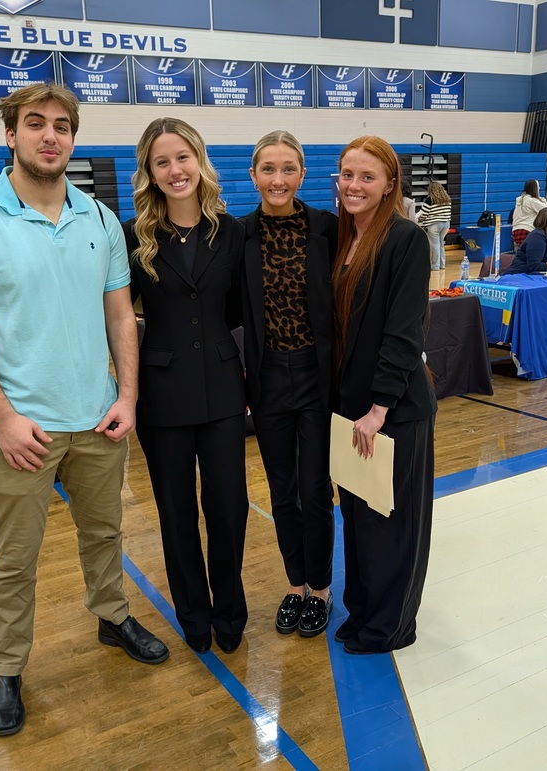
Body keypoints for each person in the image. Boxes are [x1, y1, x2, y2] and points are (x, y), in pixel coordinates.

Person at [0, 83, 169, 739]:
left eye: (62, 125)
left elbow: (121, 313)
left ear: (73, 138)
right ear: (10, 135)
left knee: (105, 534)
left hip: (97, 419)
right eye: (34, 124)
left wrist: (126, 396)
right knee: (15, 558)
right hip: (18, 428)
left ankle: (112, 614)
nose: (49, 135)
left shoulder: (98, 219)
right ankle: (7, 668)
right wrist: (3, 418)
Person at [124, 117, 249, 656]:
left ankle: (231, 609)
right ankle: (193, 614)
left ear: (200, 161)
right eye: (162, 162)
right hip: (162, 396)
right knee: (176, 513)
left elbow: (245, 311)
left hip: (223, 392)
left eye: (182, 157)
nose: (175, 170)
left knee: (229, 508)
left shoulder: (233, 231)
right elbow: (118, 316)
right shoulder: (134, 237)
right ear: (149, 173)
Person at [332, 136, 437, 654]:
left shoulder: (405, 239)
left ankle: (391, 625)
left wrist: (378, 410)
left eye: (367, 177)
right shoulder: (343, 236)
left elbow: (403, 333)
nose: (354, 185)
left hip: (392, 410)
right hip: (351, 409)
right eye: (348, 174)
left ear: (390, 184)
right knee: (357, 521)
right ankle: (362, 612)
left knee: (392, 524)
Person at [240, 130, 336, 638]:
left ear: (301, 174)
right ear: (253, 176)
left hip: (317, 378)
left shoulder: (328, 229)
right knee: (282, 491)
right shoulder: (238, 235)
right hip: (269, 377)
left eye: (288, 169)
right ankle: (296, 583)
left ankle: (321, 588)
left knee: (315, 489)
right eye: (268, 169)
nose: (278, 179)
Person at [417, 181, 451, 271]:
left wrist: (420, 218)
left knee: (434, 245)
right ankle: (442, 265)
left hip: (434, 224)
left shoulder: (430, 199)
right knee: (441, 244)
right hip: (446, 224)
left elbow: (424, 213)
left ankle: (435, 266)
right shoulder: (447, 198)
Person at [511, 179, 547, 248]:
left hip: (516, 231)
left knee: (520, 253)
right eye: (538, 186)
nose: (539, 188)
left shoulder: (520, 199)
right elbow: (546, 210)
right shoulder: (532, 201)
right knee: (531, 252)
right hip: (527, 229)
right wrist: (542, 199)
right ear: (534, 188)